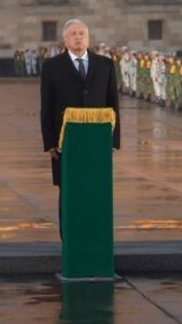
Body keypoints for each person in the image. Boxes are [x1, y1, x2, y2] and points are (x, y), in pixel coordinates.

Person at [40, 19, 120, 236]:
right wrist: (49, 143)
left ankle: (94, 236)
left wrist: (113, 141)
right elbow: (46, 107)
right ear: (65, 40)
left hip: (96, 142)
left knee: (95, 189)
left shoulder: (105, 65)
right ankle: (70, 238)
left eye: (82, 33)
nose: (78, 37)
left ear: (88, 38)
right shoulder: (52, 67)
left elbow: (113, 104)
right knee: (69, 191)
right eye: (73, 34)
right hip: (66, 143)